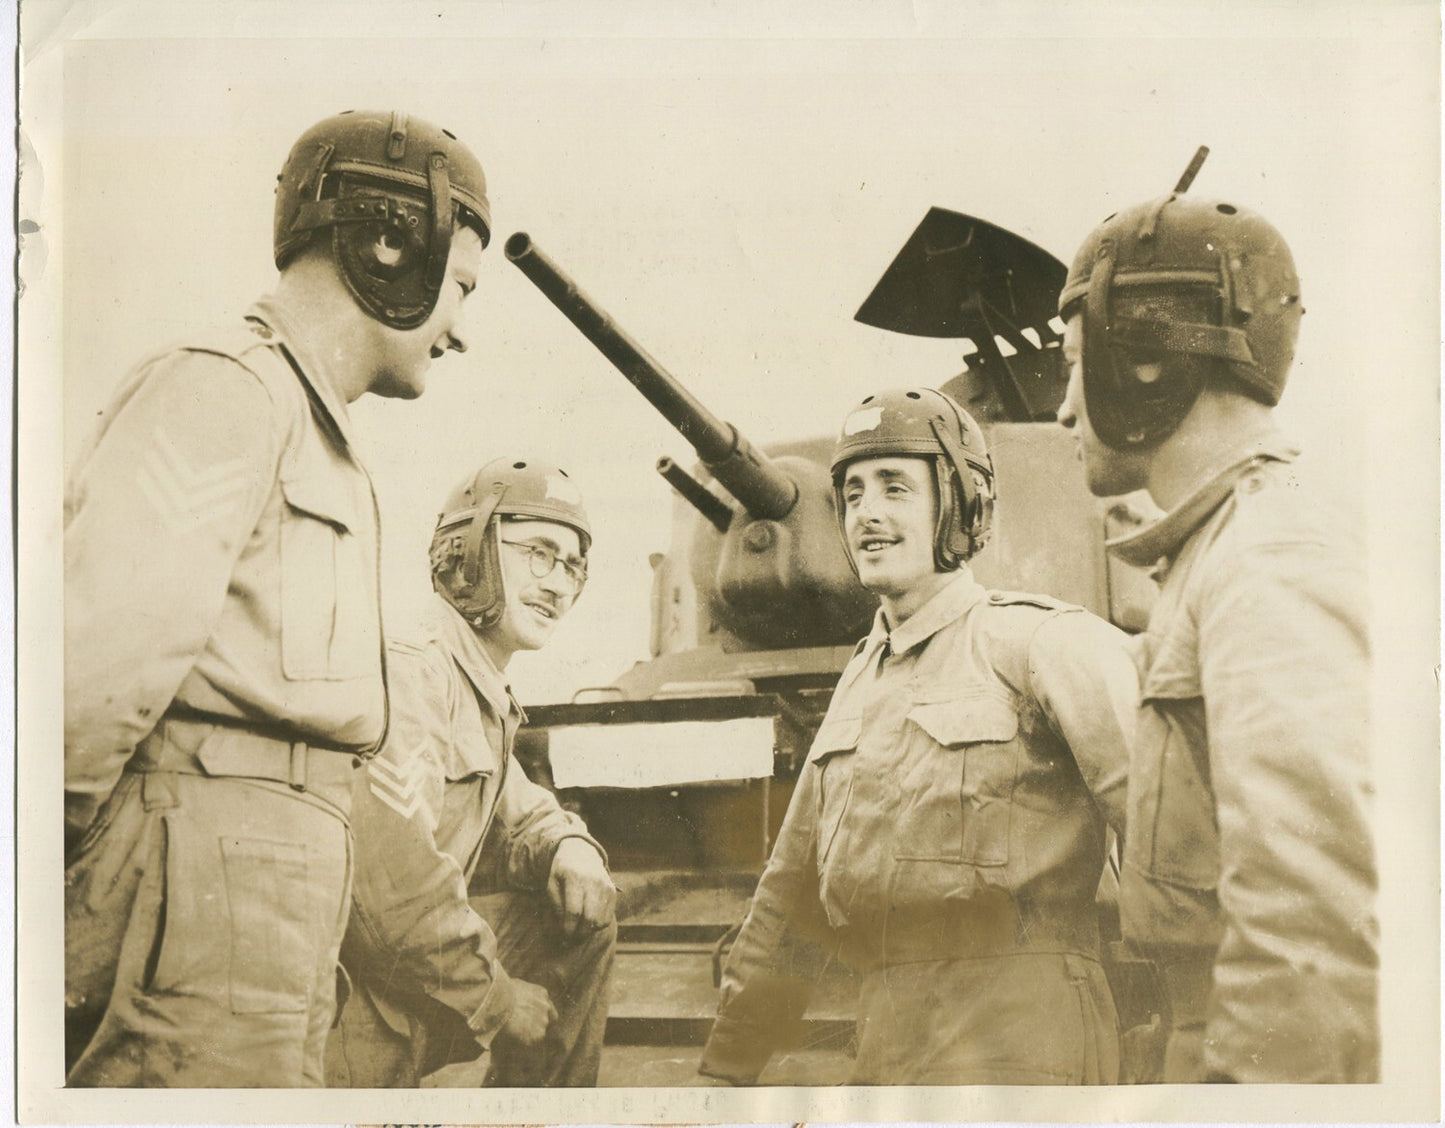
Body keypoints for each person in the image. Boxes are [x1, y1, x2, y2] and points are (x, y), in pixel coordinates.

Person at [63, 109, 490, 1087]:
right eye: (459, 286)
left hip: (272, 920)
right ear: (391, 243)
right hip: (193, 918)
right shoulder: (226, 394)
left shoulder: (312, 431)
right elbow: (85, 677)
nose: (460, 328)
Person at [698, 387, 1137, 1085]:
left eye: (894, 487)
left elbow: (1165, 836)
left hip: (1024, 1038)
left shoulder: (1042, 643)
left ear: (960, 505)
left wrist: (1194, 1027)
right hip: (885, 1041)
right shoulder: (859, 682)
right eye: (851, 493)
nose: (866, 512)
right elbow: (792, 894)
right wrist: (727, 1069)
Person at [1055, 183, 1378, 1082]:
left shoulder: (1270, 556)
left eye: (1073, 361)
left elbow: (1312, 932)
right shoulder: (1227, 552)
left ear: (1146, 357)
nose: (1063, 409)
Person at [325, 457, 616, 1088]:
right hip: (342, 1010)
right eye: (539, 552)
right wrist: (502, 998)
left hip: (395, 975)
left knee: (588, 907)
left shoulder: (473, 681)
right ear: (470, 554)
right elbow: (391, 896)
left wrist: (567, 842)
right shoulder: (415, 669)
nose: (559, 584)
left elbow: (516, 799)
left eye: (573, 566)